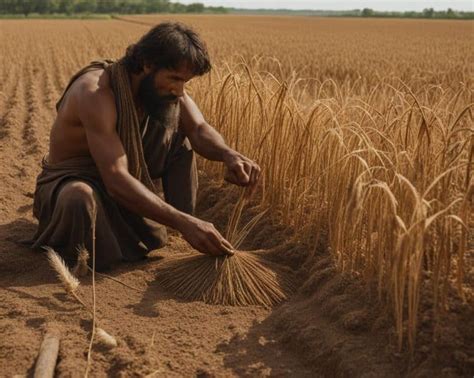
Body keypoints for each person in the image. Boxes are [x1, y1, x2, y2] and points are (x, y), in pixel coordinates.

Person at [31, 22, 261, 270]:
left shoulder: (164, 88)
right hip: (78, 180)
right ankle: (90, 253)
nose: (179, 90)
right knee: (79, 198)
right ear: (146, 63)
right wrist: (183, 222)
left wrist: (228, 154)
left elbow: (198, 129)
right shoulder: (96, 93)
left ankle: (181, 226)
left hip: (118, 180)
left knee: (178, 142)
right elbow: (116, 179)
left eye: (185, 81)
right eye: (174, 78)